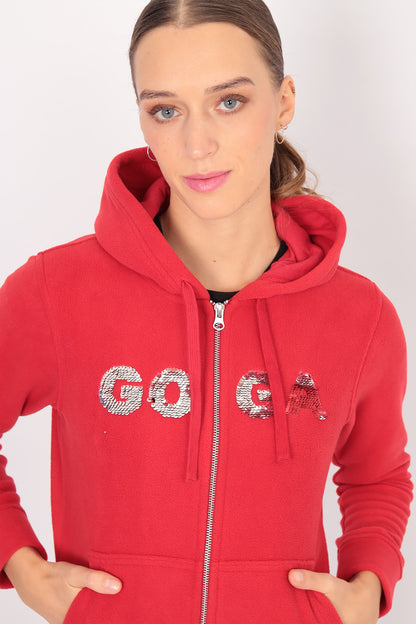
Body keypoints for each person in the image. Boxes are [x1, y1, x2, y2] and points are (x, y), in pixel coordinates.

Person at [0, 0, 412, 622]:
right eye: (165, 110)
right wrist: (20, 564)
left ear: (284, 101)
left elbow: (377, 475)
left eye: (229, 101)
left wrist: (368, 585)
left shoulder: (361, 317)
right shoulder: (55, 291)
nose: (197, 145)